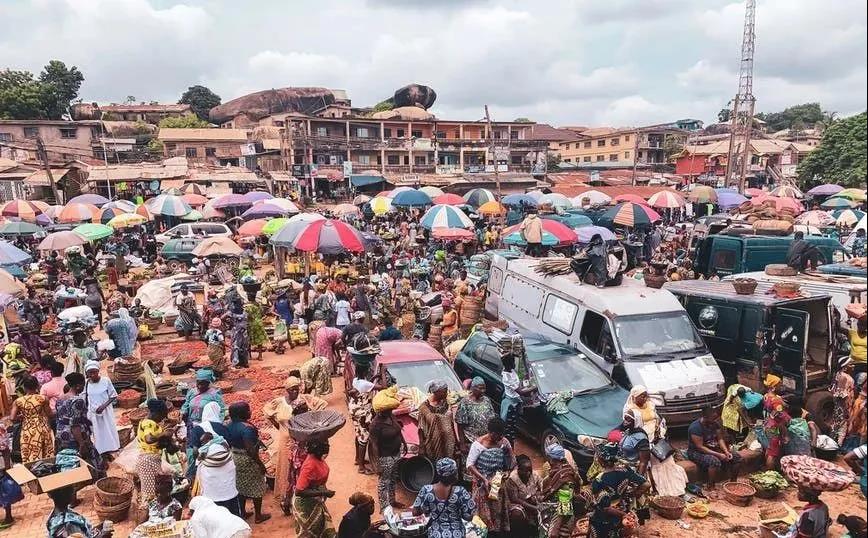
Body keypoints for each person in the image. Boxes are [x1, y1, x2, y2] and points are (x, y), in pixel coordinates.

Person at [264, 376, 327, 515]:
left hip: (302, 443)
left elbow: (322, 404)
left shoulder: (304, 400)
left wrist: (313, 419)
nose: (295, 391)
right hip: (286, 442)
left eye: (297, 388)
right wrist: (280, 427)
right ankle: (286, 501)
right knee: (287, 473)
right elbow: (267, 412)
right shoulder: (279, 402)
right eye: (292, 389)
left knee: (303, 473)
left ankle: (302, 500)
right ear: (286, 390)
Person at [216, 402, 270, 524]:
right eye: (248, 410)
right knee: (257, 486)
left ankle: (243, 513)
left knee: (241, 486)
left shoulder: (228, 425)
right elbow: (250, 449)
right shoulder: (247, 428)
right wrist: (260, 464)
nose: (250, 412)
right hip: (248, 460)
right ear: (243, 413)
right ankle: (258, 516)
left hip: (235, 457)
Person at [588, 443, 650, 538]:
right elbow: (646, 484)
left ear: (601, 460)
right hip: (622, 507)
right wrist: (634, 494)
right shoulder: (625, 471)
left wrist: (624, 515)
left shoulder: (599, 480)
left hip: (604, 518)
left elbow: (606, 508)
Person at [466, 417, 514, 534]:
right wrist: (483, 479)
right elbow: (470, 465)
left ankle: (497, 531)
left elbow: (510, 459)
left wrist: (506, 471)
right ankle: (483, 532)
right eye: (498, 435)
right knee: (483, 512)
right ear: (491, 433)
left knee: (497, 509)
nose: (500, 438)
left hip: (497, 480)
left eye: (502, 435)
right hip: (482, 482)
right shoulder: (479, 444)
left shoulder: (503, 442)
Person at [55, 372, 102, 489]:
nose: (83, 387)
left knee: (69, 462)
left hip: (61, 434)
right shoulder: (77, 401)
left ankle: (71, 495)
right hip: (76, 435)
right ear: (77, 386)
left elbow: (59, 417)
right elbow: (74, 424)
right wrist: (81, 443)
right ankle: (100, 486)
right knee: (93, 461)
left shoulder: (60, 399)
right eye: (82, 385)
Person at [412, 457, 476, 538]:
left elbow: (415, 512)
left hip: (436, 534)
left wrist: (427, 508)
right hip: (457, 534)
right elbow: (468, 517)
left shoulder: (426, 490)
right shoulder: (461, 492)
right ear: (454, 474)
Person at [369, 386, 406, 512]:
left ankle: (392, 500)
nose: (391, 411)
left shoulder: (391, 417)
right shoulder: (375, 425)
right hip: (385, 456)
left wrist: (404, 443)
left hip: (396, 453)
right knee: (384, 481)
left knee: (393, 478)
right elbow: (373, 444)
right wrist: (377, 464)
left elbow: (398, 430)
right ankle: (384, 507)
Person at [686, 406, 742, 489]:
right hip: (696, 452)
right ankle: (710, 485)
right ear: (705, 417)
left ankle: (733, 482)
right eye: (713, 419)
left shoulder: (714, 424)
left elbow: (720, 439)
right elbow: (700, 447)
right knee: (714, 461)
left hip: (713, 448)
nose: (715, 421)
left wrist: (726, 452)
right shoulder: (695, 428)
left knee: (737, 457)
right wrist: (719, 455)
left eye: (715, 418)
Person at [538, 443, 585, 538]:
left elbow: (565, 504)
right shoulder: (563, 469)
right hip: (552, 509)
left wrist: (555, 528)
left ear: (551, 459)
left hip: (559, 515)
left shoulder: (565, 477)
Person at [182, 369, 226, 465]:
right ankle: (192, 467)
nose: (200, 386)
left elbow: (222, 410)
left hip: (206, 427)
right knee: (192, 446)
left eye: (203, 383)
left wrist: (217, 424)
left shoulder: (214, 394)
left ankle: (205, 465)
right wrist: (183, 412)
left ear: (208, 383)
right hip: (192, 425)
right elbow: (186, 404)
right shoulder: (192, 392)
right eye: (198, 383)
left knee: (204, 448)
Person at [294, 440, 336, 538]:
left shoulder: (318, 458)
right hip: (306, 506)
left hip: (315, 501)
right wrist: (323, 492)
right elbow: (299, 491)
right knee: (310, 533)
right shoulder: (310, 465)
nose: (328, 447)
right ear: (317, 449)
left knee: (321, 528)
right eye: (325, 446)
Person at [10, 375, 53, 463]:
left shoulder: (18, 401)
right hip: (42, 427)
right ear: (37, 386)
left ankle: (31, 472)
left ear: (24, 387)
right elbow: (50, 414)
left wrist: (22, 416)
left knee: (29, 453)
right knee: (45, 453)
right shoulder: (43, 399)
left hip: (27, 429)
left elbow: (12, 418)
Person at [137, 398, 169, 510]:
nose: (162, 419)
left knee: (156, 490)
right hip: (148, 460)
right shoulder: (148, 423)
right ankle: (145, 520)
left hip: (152, 459)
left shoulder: (152, 423)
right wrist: (163, 434)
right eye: (162, 415)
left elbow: (157, 443)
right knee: (150, 495)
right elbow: (149, 439)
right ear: (156, 413)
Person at [46, 486, 112, 538]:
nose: (73, 492)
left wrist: (96, 529)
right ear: (64, 495)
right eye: (71, 490)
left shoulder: (55, 515)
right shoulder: (68, 524)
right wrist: (102, 536)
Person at [197, 442, 241, 517]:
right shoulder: (231, 462)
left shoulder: (203, 467)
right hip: (231, 496)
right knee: (234, 518)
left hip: (212, 500)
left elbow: (201, 483)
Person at [417, 380, 458, 462]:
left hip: (448, 444)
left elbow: (451, 422)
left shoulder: (445, 404)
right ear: (437, 392)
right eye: (445, 391)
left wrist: (456, 441)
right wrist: (421, 446)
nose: (447, 393)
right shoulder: (424, 408)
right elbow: (421, 428)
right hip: (433, 445)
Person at [456, 377, 497, 450]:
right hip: (472, 441)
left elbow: (492, 418)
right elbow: (460, 425)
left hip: (486, 440)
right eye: (480, 388)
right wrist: (462, 444)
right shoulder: (465, 403)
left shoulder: (486, 400)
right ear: (472, 388)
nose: (483, 391)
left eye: (484, 388)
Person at [348, 366, 376, 474]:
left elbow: (368, 386)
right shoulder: (365, 384)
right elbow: (383, 386)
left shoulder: (356, 380)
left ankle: (358, 458)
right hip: (363, 414)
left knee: (358, 434)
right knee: (364, 438)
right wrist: (382, 372)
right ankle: (361, 467)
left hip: (356, 411)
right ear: (365, 372)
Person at [506, 454, 541, 538]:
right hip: (518, 504)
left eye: (530, 470)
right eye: (526, 471)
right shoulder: (512, 479)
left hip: (533, 502)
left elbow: (542, 490)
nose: (529, 473)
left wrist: (537, 497)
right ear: (519, 470)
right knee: (517, 514)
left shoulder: (535, 475)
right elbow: (514, 499)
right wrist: (533, 507)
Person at [762, 374, 791, 469]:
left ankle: (768, 469)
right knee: (773, 453)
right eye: (779, 385)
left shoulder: (766, 396)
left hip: (767, 425)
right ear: (773, 388)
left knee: (769, 449)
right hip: (774, 427)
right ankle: (770, 473)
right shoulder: (776, 400)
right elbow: (780, 415)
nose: (782, 387)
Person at [832, 358, 857, 445]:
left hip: (841, 406)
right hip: (843, 407)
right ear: (845, 367)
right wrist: (845, 410)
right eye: (850, 364)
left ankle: (834, 444)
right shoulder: (844, 377)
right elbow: (841, 395)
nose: (853, 366)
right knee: (842, 426)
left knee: (836, 425)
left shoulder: (840, 374)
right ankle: (837, 446)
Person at [619, 410, 651, 476]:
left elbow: (643, 462)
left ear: (636, 421)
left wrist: (639, 481)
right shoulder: (628, 432)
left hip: (632, 471)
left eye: (628, 420)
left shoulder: (642, 438)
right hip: (621, 466)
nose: (625, 422)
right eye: (625, 418)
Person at [848, 314, 867, 379]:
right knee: (850, 382)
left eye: (863, 325)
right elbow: (838, 328)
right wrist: (836, 313)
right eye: (859, 324)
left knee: (860, 381)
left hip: (865, 364)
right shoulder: (852, 333)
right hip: (853, 363)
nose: (861, 326)